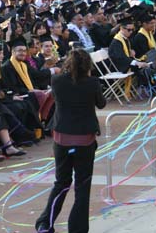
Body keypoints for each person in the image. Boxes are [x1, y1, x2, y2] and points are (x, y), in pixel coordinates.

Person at [35, 49, 106, 233]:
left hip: (62, 138)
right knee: (82, 186)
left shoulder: (57, 81)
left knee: (61, 182)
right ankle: (78, 229)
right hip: (84, 140)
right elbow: (101, 103)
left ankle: (45, 223)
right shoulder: (92, 82)